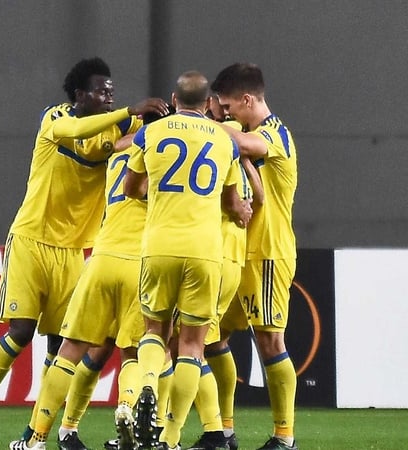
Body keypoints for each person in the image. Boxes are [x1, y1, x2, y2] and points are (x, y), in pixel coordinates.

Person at [0, 57, 170, 450]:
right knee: (21, 331)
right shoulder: (55, 118)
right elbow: (76, 129)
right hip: (31, 238)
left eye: (112, 91)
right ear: (79, 95)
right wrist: (129, 113)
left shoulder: (122, 127)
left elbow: (152, 139)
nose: (108, 97)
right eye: (100, 91)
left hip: (74, 250)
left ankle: (37, 434)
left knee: (62, 345)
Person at [123, 71, 251, 450]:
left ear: (175, 101)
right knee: (193, 346)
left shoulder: (151, 134)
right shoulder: (224, 142)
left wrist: (161, 193)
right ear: (207, 102)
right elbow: (232, 203)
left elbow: (131, 188)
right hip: (205, 251)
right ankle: (171, 436)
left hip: (160, 245)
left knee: (153, 332)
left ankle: (147, 383)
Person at [9, 136, 153, 450]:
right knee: (132, 352)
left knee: (71, 350)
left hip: (101, 259)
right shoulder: (163, 159)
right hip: (140, 265)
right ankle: (126, 406)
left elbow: (118, 145)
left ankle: (36, 438)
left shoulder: (118, 158)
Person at [211, 63, 299, 450]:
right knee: (213, 335)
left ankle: (285, 438)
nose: (226, 112)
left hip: (267, 250)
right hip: (236, 253)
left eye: (229, 105)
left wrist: (195, 121)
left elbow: (248, 147)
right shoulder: (244, 131)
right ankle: (223, 432)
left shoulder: (274, 133)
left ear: (248, 99)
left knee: (270, 341)